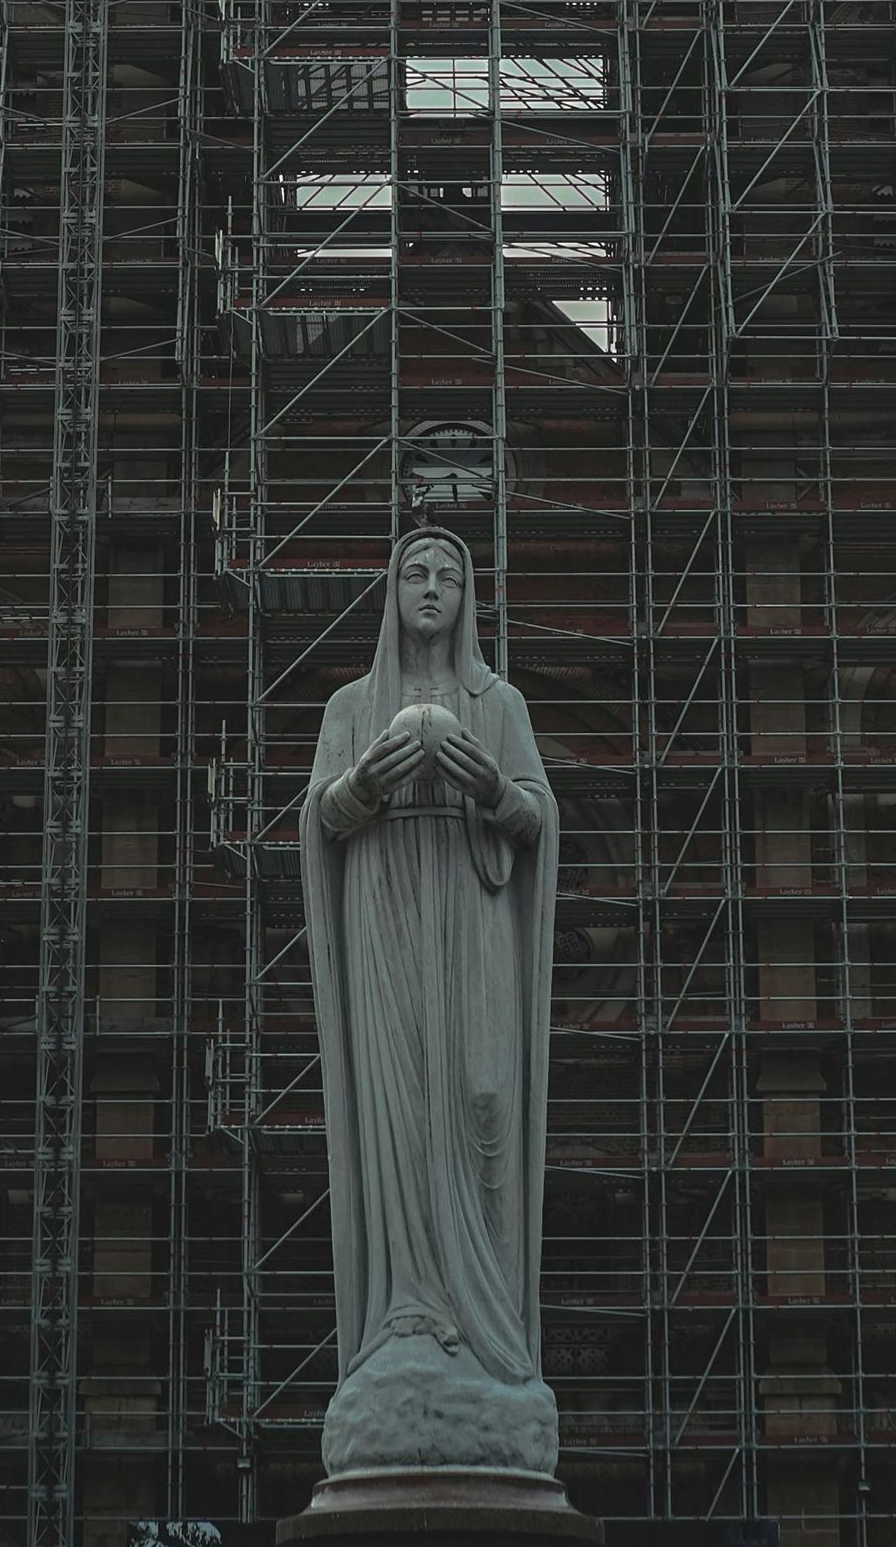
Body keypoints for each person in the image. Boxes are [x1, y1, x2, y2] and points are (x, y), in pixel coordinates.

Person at [302, 529, 558, 1414]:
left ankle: (489, 1335)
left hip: (476, 916)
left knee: (484, 1099)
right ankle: (409, 1313)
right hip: (388, 919)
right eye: (414, 573)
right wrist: (365, 783)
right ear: (391, 591)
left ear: (468, 598)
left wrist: (491, 788)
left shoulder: (502, 706)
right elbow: (320, 822)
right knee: (401, 1116)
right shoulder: (349, 708)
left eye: (448, 576)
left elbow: (536, 825)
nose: (431, 588)